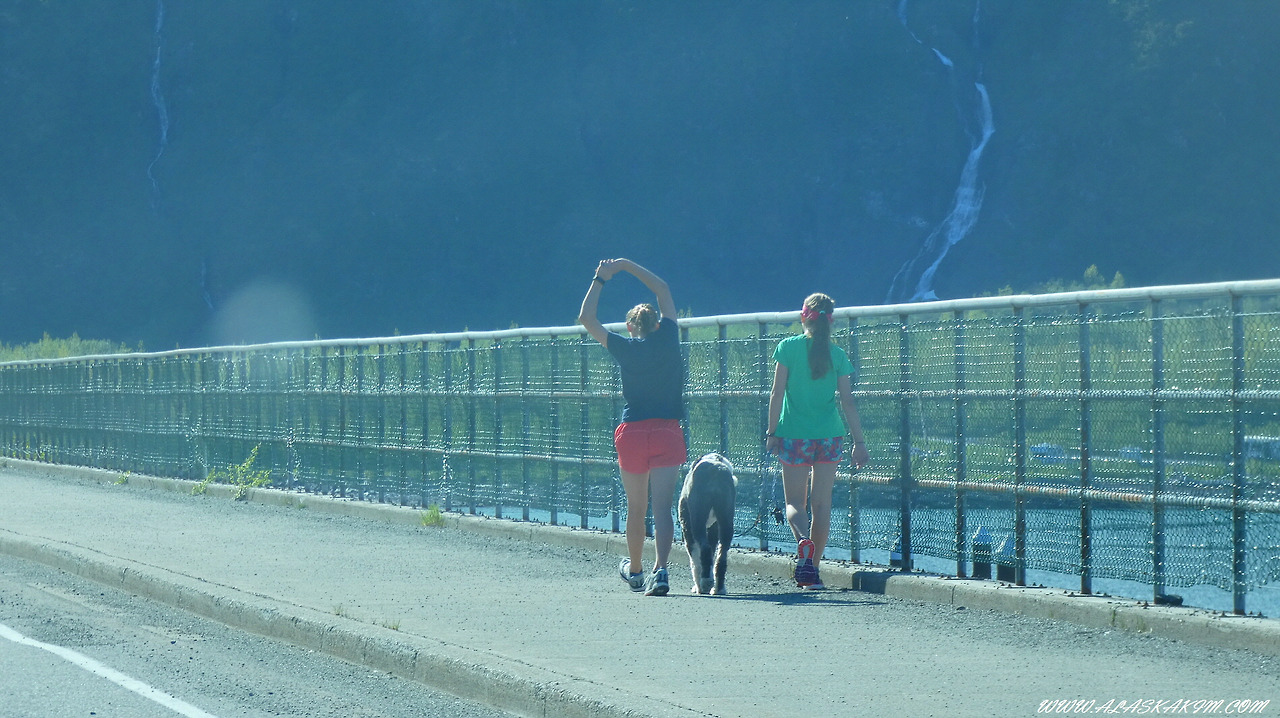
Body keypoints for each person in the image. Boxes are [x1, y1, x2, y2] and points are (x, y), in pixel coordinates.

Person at [579, 258, 687, 596]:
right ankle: (663, 570)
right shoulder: (669, 338)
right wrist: (627, 266)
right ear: (658, 323)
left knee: (636, 507)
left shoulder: (624, 348)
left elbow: (586, 318)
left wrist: (601, 278)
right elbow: (663, 289)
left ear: (630, 328)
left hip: (633, 433)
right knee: (663, 508)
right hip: (668, 431)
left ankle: (636, 571)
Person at [766, 292, 869, 589]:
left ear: (803, 317)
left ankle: (802, 541)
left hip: (794, 435)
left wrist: (772, 433)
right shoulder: (837, 355)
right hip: (829, 436)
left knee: (794, 503)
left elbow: (776, 394)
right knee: (822, 505)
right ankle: (812, 571)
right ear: (830, 321)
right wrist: (859, 442)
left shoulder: (787, 348)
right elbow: (848, 402)